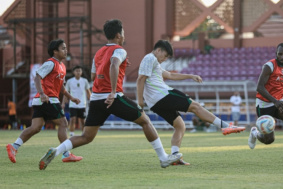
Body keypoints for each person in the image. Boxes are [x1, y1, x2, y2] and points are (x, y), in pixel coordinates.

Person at [39, 19, 181, 170]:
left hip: (96, 99)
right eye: (124, 33)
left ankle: (56, 151)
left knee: (86, 137)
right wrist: (113, 91)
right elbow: (113, 63)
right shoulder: (119, 50)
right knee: (145, 121)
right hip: (113, 97)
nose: (124, 36)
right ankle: (163, 158)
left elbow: (94, 76)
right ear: (119, 35)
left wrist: (119, 67)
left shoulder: (98, 53)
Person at [136, 39, 245, 165]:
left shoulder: (153, 62)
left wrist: (190, 75)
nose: (165, 59)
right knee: (196, 106)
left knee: (180, 126)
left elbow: (170, 76)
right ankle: (225, 126)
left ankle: (175, 157)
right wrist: (139, 101)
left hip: (155, 103)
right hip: (162, 95)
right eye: (165, 56)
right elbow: (140, 79)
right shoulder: (150, 58)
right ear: (159, 50)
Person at [6, 39, 83, 164]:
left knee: (35, 127)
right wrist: (42, 94)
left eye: (65, 48)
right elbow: (37, 77)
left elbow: (61, 87)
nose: (66, 50)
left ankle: (14, 146)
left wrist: (71, 97)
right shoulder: (50, 63)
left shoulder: (62, 66)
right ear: (55, 51)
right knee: (63, 123)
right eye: (63, 48)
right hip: (48, 99)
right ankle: (66, 154)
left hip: (42, 100)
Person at [62, 65, 91, 137]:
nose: (78, 72)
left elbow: (88, 92)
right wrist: (63, 103)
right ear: (73, 72)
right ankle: (71, 134)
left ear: (81, 72)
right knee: (72, 119)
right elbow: (66, 93)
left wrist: (92, 101)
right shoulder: (70, 81)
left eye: (79, 71)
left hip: (82, 104)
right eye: (77, 71)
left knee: (83, 121)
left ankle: (84, 135)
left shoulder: (85, 81)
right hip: (73, 104)